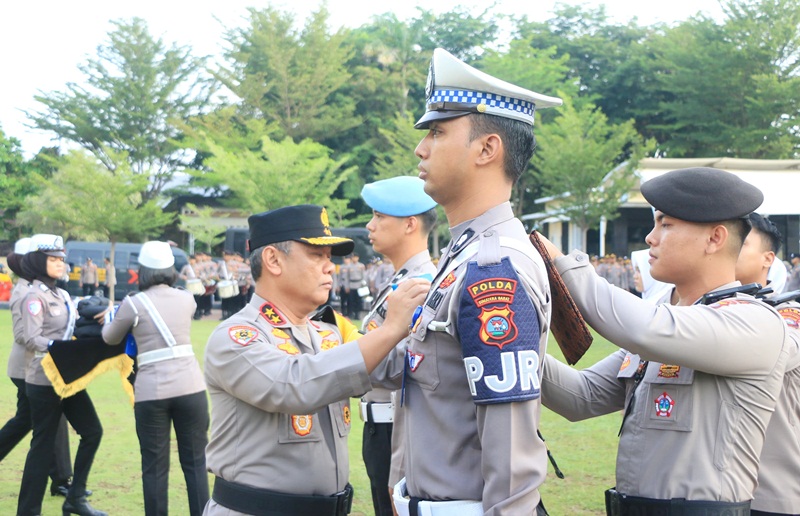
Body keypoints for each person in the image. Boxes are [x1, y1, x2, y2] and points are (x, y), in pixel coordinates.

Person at [370, 47, 561, 515]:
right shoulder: (461, 259)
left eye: (437, 132)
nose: (421, 148)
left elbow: (512, 466)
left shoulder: (492, 270)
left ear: (486, 149)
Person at [537, 167, 789, 514]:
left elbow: (643, 328)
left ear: (714, 239)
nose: (650, 238)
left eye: (666, 224)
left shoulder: (754, 321)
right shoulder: (665, 321)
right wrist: (509, 341)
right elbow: (582, 397)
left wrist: (560, 264)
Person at [203, 204, 428, 515]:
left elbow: (389, 369)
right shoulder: (236, 337)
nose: (329, 267)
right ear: (273, 260)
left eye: (329, 258)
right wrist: (390, 329)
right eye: (316, 255)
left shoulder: (327, 334)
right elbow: (293, 385)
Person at [101, 240, 209, 515]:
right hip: (191, 388)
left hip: (153, 392)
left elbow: (110, 337)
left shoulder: (133, 304)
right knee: (196, 463)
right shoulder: (187, 299)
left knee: (155, 467)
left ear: (143, 271)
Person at [359, 176, 437, 516]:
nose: (370, 225)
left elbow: (413, 374)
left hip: (397, 431)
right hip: (380, 427)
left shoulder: (421, 285)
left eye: (379, 216)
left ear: (410, 224)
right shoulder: (401, 279)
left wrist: (398, 467)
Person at [17, 234, 106, 516]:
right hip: (43, 380)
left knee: (92, 431)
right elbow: (31, 338)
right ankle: (28, 510)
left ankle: (75, 499)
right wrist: (62, 348)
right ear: (39, 262)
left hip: (67, 377)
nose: (60, 264)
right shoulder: (34, 296)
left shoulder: (62, 294)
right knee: (42, 446)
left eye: (61, 259)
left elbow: (73, 326)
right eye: (53, 259)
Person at [734, 213, 800, 516]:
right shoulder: (700, 310)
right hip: (715, 490)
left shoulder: (788, 315)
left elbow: (776, 354)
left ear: (767, 258)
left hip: (771, 493)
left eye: (743, 242)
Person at [0, 238, 75, 498]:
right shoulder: (26, 292)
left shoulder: (40, 289)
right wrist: (55, 344)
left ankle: (60, 479)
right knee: (48, 420)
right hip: (28, 367)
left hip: (38, 365)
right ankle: (61, 479)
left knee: (28, 421)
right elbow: (24, 335)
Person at [346, 253, 366, 319]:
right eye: (353, 257)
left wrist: (363, 286)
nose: (355, 258)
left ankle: (357, 315)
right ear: (352, 258)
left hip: (359, 284)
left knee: (358, 301)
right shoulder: (349, 266)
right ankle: (351, 314)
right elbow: (347, 277)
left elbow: (363, 276)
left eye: (356, 257)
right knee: (351, 301)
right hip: (351, 284)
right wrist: (347, 286)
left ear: (358, 258)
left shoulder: (361, 266)